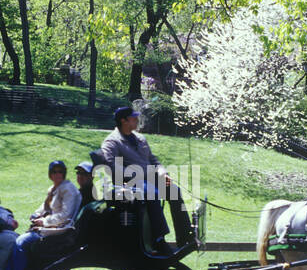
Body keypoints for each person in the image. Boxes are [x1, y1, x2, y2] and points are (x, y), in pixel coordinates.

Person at [100, 105, 192, 251]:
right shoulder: (111, 142)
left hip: (148, 179)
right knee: (151, 192)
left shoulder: (140, 138)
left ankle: (185, 235)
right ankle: (158, 239)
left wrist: (162, 172)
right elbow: (111, 165)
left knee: (173, 190)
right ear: (123, 121)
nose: (137, 120)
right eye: (133, 118)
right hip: (128, 183)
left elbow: (153, 159)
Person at [16, 160, 81, 258]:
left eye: (60, 171)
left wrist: (44, 221)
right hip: (51, 226)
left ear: (64, 173)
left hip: (60, 228)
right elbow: (45, 206)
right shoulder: (54, 188)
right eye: (54, 172)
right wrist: (36, 214)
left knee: (21, 242)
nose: (57, 174)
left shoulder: (68, 189)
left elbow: (65, 216)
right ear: (50, 174)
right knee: (19, 239)